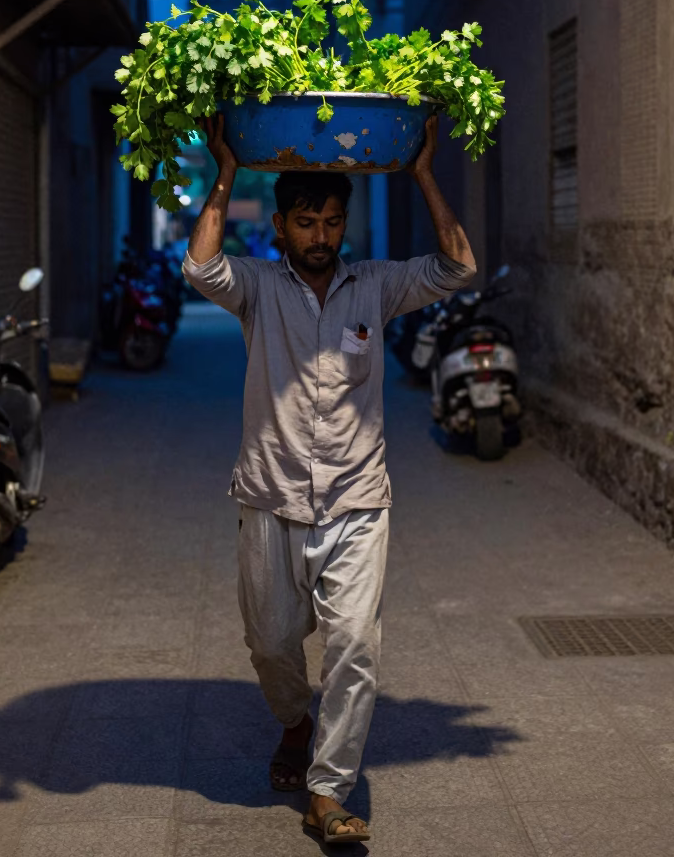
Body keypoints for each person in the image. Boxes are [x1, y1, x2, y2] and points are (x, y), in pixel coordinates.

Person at [183, 113, 476, 846]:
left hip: (356, 499)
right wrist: (225, 171)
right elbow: (199, 268)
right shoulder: (256, 287)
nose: (320, 235)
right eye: (306, 221)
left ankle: (327, 791)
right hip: (271, 493)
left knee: (355, 645)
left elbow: (459, 268)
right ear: (279, 226)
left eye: (332, 221)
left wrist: (422, 174)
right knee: (272, 642)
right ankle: (294, 722)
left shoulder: (375, 286)